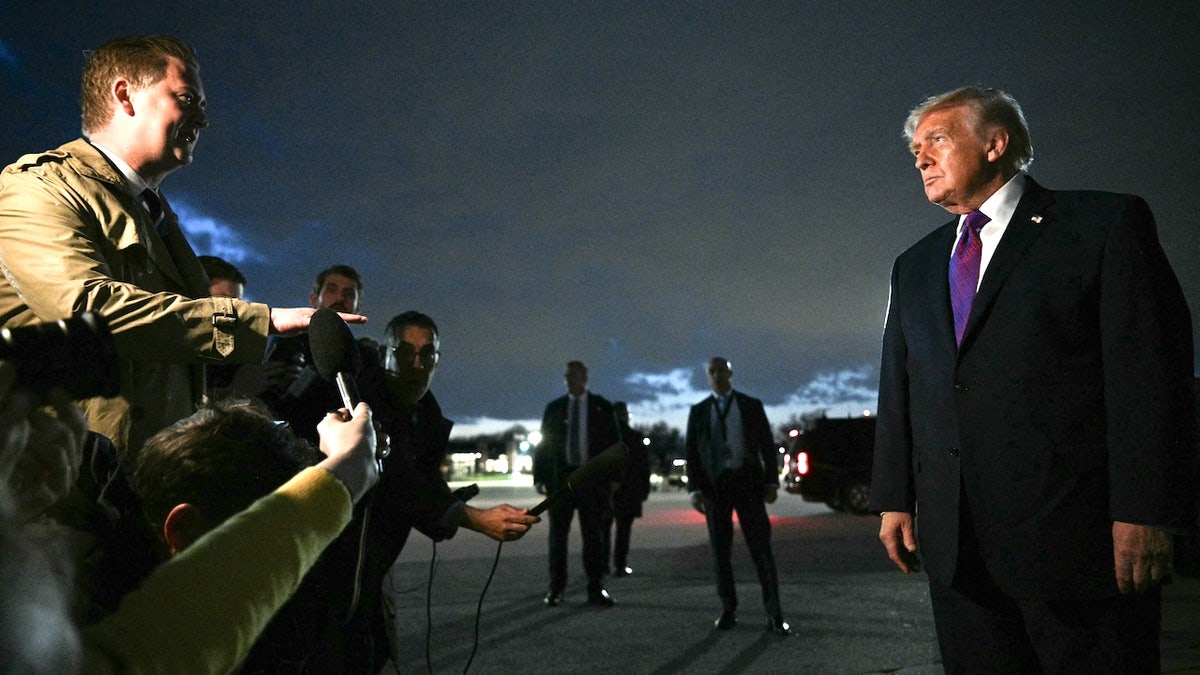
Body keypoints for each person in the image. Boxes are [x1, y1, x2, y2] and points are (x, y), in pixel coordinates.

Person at [870, 86, 1196, 673]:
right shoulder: (914, 263)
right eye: (915, 149)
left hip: (1078, 547)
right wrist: (894, 498)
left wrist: (1146, 510)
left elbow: (1150, 375)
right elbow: (901, 385)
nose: (920, 158)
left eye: (937, 140)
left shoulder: (1102, 225)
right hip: (959, 554)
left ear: (996, 144)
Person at [0, 35, 364, 461]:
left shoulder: (154, 215)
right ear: (125, 95)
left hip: (140, 484)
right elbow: (86, 309)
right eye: (187, 98)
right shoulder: (37, 188)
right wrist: (259, 321)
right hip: (59, 494)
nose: (203, 121)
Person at [0, 355, 382, 674]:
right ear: (183, 531)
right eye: (253, 537)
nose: (281, 577)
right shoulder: (61, 632)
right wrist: (345, 475)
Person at [239, 310, 539, 674]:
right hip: (315, 576)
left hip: (370, 578)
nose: (416, 364)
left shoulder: (426, 414)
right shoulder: (352, 399)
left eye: (427, 355)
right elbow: (396, 478)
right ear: (384, 355)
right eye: (404, 353)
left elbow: (421, 480)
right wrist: (469, 517)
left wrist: (453, 509)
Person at [685, 357, 790, 635]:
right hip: (715, 488)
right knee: (721, 553)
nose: (717, 375)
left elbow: (767, 445)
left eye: (722, 370)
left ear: (731, 373)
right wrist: (694, 489)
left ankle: (774, 613)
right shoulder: (698, 412)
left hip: (747, 483)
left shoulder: (750, 406)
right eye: (712, 371)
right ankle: (728, 609)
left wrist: (771, 481)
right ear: (707, 376)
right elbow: (692, 453)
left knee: (761, 550)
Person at [258, 264, 385, 444]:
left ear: (358, 306)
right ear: (314, 299)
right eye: (332, 290)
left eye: (348, 293)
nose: (340, 298)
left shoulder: (367, 358)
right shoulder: (289, 345)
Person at [533, 360, 621, 607]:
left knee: (593, 537)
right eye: (566, 376)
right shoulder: (554, 409)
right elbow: (544, 445)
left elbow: (615, 444)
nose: (568, 379)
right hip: (561, 481)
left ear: (585, 378)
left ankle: (596, 588)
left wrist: (615, 477)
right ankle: (556, 588)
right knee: (557, 537)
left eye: (573, 375)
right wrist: (539, 477)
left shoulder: (602, 408)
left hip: (592, 481)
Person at [609, 401, 651, 577]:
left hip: (608, 490)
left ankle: (602, 564)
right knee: (624, 530)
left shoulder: (605, 436)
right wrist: (644, 489)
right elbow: (644, 466)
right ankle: (620, 564)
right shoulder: (635, 437)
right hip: (629, 491)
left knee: (602, 528)